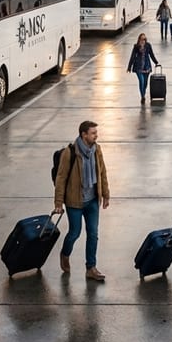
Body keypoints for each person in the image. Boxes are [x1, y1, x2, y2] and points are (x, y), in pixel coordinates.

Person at [53, 120, 111, 281]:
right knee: (75, 233)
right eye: (93, 133)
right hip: (75, 201)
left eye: (96, 133)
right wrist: (58, 203)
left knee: (93, 234)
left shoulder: (97, 150)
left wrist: (105, 194)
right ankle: (65, 254)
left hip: (92, 200)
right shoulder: (70, 153)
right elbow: (61, 178)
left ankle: (91, 268)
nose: (96, 136)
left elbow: (102, 172)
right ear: (83, 134)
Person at [126, 33, 160, 104]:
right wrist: (129, 67)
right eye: (141, 39)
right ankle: (142, 97)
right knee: (141, 81)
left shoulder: (148, 46)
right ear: (139, 39)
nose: (143, 40)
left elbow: (151, 55)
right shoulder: (136, 46)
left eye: (144, 39)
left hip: (147, 67)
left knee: (145, 83)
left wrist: (156, 62)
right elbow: (132, 56)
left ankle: (143, 94)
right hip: (138, 67)